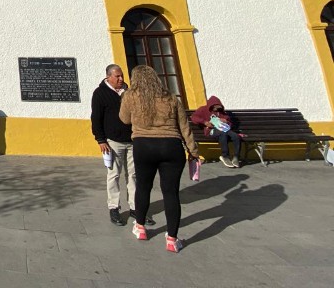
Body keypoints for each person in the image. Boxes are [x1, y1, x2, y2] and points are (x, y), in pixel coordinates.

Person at [119, 65, 199, 253]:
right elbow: (184, 126)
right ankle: (172, 239)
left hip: (144, 145)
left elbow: (124, 119)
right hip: (171, 147)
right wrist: (193, 151)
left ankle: (140, 227)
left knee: (143, 187)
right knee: (171, 193)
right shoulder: (171, 97)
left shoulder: (131, 96)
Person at [90, 64, 154, 227]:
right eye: (117, 76)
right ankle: (114, 207)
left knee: (133, 175)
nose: (121, 79)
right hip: (113, 141)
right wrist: (101, 139)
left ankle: (135, 207)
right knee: (114, 175)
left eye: (122, 76)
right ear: (108, 77)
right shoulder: (100, 93)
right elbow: (96, 118)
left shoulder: (130, 92)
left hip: (133, 140)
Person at [191, 96, 242, 168]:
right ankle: (225, 156)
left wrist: (226, 121)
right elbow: (194, 117)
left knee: (236, 136)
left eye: (219, 107)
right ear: (211, 105)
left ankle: (236, 157)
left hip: (224, 129)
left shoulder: (221, 112)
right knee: (223, 133)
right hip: (211, 130)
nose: (217, 109)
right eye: (215, 107)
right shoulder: (203, 109)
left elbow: (230, 123)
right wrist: (205, 122)